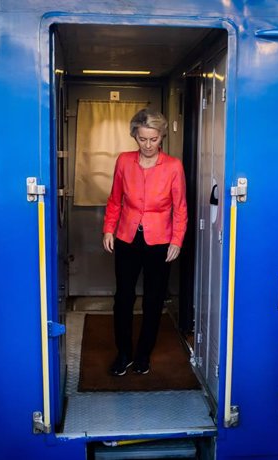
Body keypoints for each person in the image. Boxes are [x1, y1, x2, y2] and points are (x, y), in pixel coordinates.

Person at [102, 108, 187, 376]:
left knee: (153, 300)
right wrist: (108, 229)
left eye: (154, 139)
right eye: (142, 139)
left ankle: (143, 355)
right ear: (134, 136)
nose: (148, 145)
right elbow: (115, 199)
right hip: (127, 237)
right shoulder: (124, 161)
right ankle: (124, 353)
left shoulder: (173, 166)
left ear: (161, 136)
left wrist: (177, 240)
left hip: (160, 241)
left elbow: (180, 207)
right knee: (123, 298)